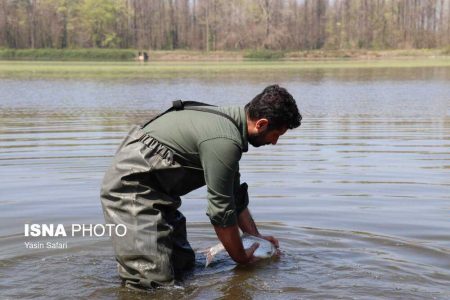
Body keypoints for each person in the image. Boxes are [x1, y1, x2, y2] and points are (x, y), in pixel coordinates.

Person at [100, 84, 302, 290]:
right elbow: (221, 212)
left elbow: (234, 196)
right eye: (277, 134)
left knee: (182, 266)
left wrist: (255, 238)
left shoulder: (229, 127)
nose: (275, 142)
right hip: (131, 191)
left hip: (158, 195)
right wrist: (241, 257)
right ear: (261, 124)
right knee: (151, 283)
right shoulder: (224, 140)